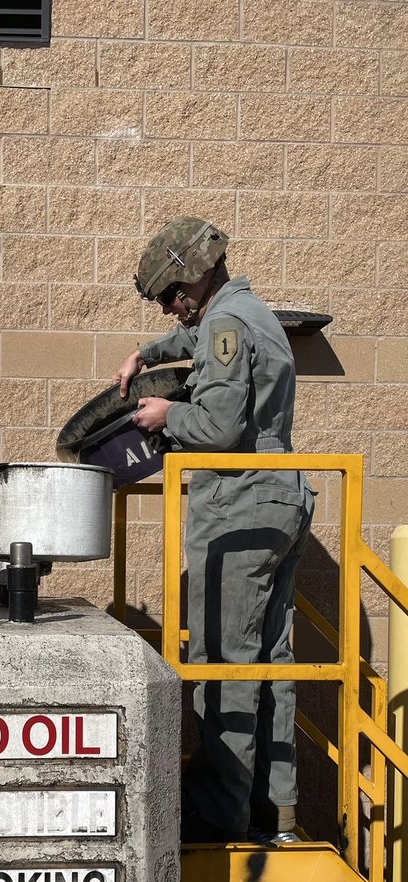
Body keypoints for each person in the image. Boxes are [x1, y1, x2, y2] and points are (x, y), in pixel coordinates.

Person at [113, 217, 315, 844]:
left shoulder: (225, 323)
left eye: (173, 294)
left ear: (197, 275)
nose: (172, 308)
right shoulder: (249, 313)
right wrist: (149, 352)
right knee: (270, 662)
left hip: (239, 504)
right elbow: (197, 346)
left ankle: (219, 816)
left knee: (222, 663)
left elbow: (221, 428)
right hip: (278, 497)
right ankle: (274, 812)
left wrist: (170, 412)